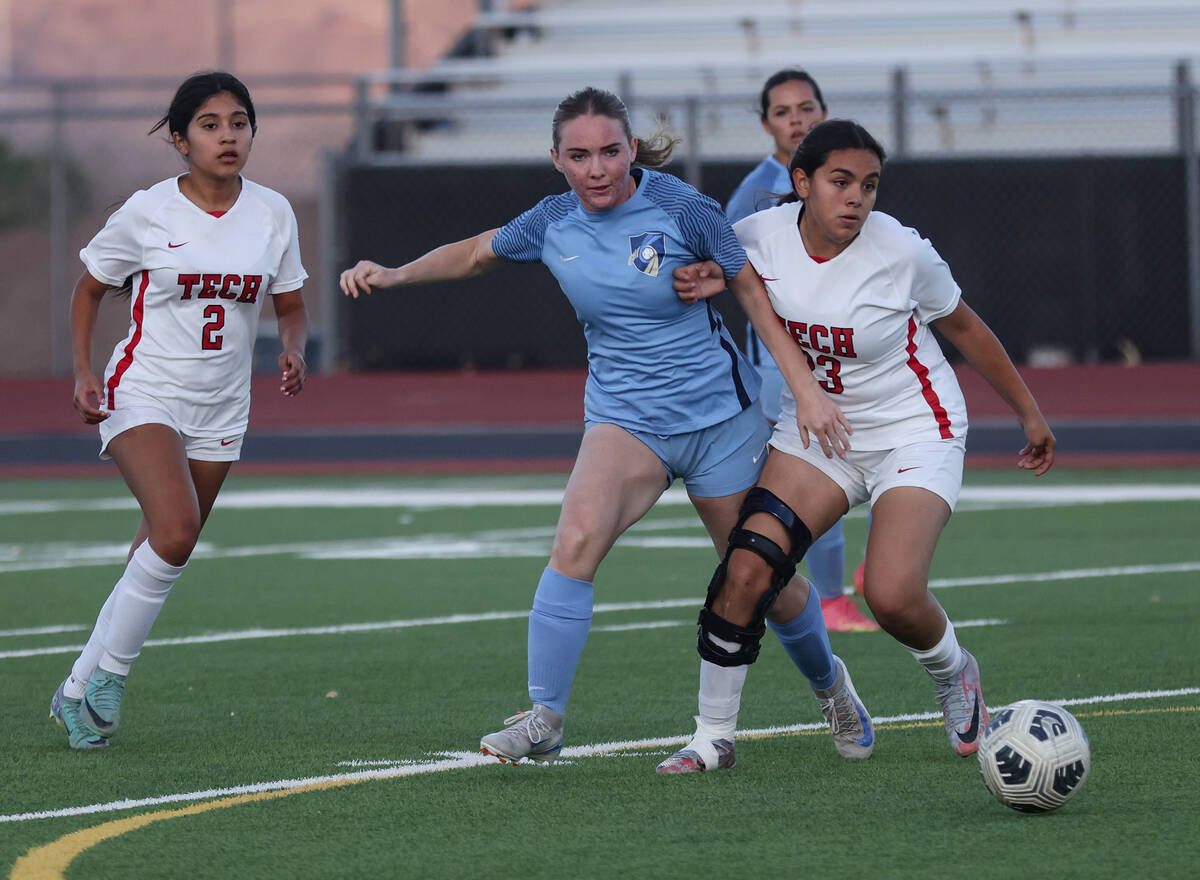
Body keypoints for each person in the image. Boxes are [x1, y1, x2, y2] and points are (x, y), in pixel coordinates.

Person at [339, 87, 873, 771]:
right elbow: (475, 253)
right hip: (625, 420)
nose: (597, 169)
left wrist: (804, 392)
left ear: (630, 150)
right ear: (557, 160)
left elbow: (754, 294)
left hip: (720, 422)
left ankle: (832, 687)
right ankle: (545, 718)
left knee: (759, 577)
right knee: (575, 539)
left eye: (610, 152)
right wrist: (392, 275)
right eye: (580, 155)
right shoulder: (550, 219)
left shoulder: (685, 208)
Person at [669, 119, 1055, 761]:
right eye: (840, 182)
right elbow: (711, 273)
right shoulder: (757, 237)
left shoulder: (902, 251)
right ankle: (712, 738)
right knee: (746, 567)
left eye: (869, 185)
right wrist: (707, 277)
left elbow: (967, 329)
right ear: (801, 182)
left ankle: (954, 670)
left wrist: (1029, 414)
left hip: (913, 429)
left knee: (892, 594)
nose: (856, 199)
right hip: (815, 434)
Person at [49, 71, 310, 749]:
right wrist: (82, 371)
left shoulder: (273, 212)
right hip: (145, 389)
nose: (228, 136)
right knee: (175, 530)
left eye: (240, 122)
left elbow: (290, 302)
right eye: (210, 124)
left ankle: (75, 691)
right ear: (179, 138)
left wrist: (292, 347)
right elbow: (87, 290)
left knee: (159, 548)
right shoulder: (149, 211)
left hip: (224, 404)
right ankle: (110, 678)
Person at [725, 68, 877, 633]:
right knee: (818, 466)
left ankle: (859, 574)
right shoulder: (757, 190)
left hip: (838, 350)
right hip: (781, 359)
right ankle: (827, 597)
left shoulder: (841, 179)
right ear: (766, 123)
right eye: (784, 112)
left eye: (806, 108)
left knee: (866, 452)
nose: (797, 120)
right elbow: (728, 264)